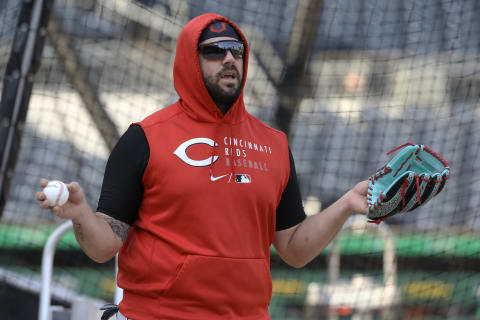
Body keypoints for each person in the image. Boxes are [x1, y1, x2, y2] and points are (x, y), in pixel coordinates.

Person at [36, 13, 369, 320]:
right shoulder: (145, 138)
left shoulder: (275, 145)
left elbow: (295, 248)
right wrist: (81, 215)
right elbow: (103, 247)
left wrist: (347, 204)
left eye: (236, 51)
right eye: (214, 51)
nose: (228, 59)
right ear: (189, 60)